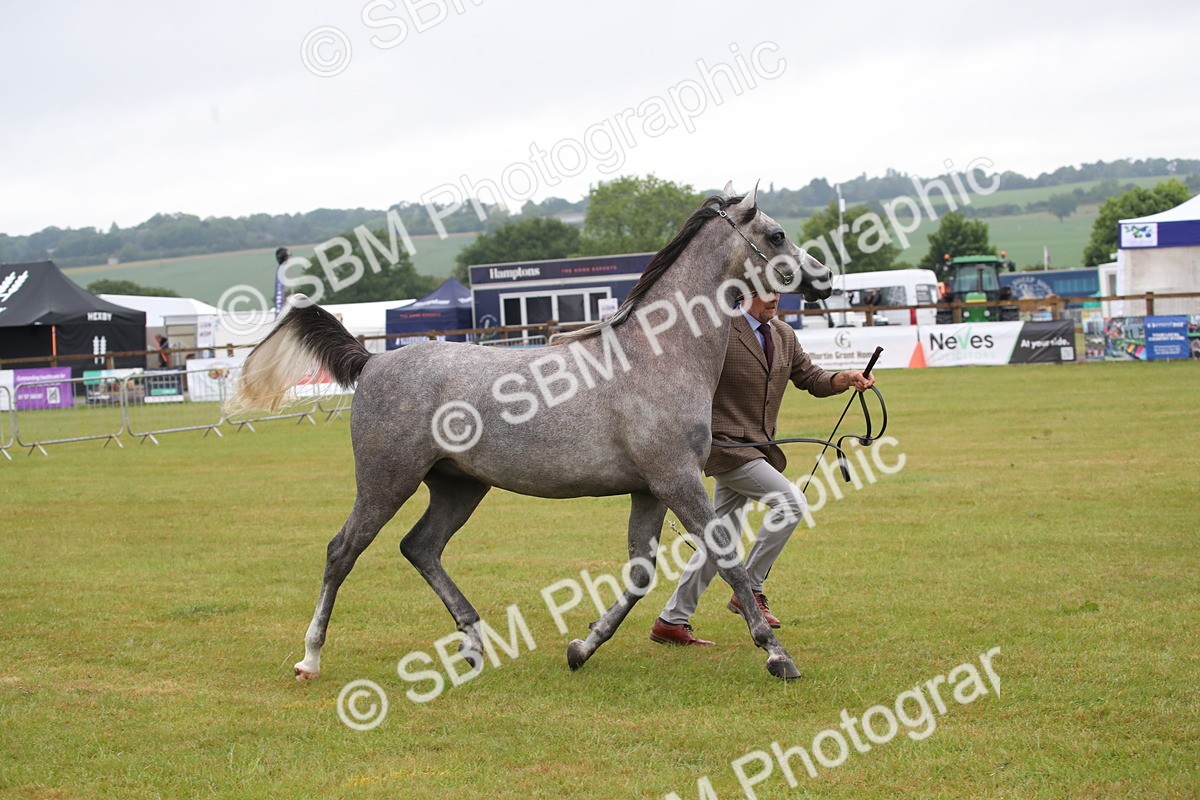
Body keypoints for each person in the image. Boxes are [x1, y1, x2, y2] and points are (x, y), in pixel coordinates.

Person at [649, 292, 875, 646]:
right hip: (725, 448)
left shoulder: (783, 334)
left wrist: (845, 378)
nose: (775, 299)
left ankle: (671, 621)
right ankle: (750, 589)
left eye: (778, 292)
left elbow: (812, 378)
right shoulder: (721, 330)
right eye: (767, 291)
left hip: (759, 446)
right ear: (747, 291)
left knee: (720, 537)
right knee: (791, 502)